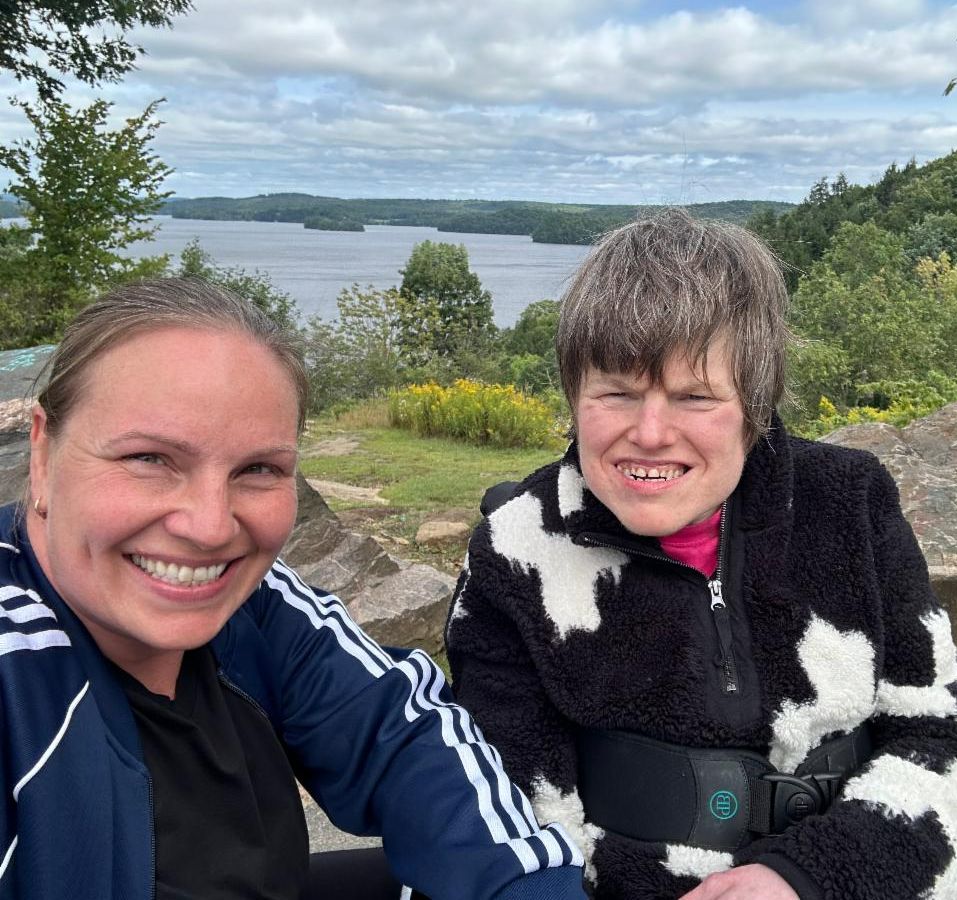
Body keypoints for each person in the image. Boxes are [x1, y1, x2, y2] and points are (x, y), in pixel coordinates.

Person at [445, 209, 957, 900]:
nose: (650, 433)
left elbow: (948, 742)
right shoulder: (515, 550)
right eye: (616, 391)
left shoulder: (849, 504)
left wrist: (810, 880)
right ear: (574, 396)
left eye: (695, 396)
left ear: (754, 405)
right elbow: (517, 820)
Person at [0, 278, 586, 900]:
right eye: (149, 458)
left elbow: (403, 731)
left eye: (258, 469)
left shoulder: (251, 601)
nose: (208, 527)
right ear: (43, 453)